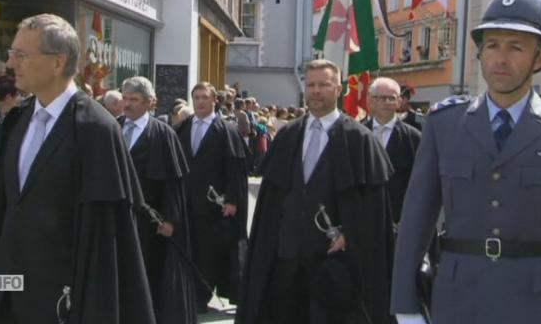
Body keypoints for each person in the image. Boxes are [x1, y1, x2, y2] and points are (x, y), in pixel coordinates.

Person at [0, 14, 155, 324]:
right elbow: (4, 212)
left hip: (61, 303)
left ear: (59, 62)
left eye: (21, 55)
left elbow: (105, 237)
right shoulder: (17, 120)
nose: (10, 63)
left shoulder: (95, 128)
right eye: (11, 53)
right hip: (5, 297)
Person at [392, 0, 541, 324]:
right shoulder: (445, 123)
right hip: (459, 301)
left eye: (516, 47)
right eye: (491, 45)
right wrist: (405, 305)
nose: (501, 58)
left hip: (536, 304)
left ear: (540, 56)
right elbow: (417, 218)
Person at [236, 59, 394, 324]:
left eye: (323, 84)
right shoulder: (288, 136)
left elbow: (374, 210)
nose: (316, 91)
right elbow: (270, 203)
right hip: (285, 261)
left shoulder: (360, 140)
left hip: (334, 268)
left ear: (338, 89)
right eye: (311, 85)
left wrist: (350, 234)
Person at [117, 76, 196, 324]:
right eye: (125, 98)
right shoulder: (111, 128)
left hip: (150, 222)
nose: (127, 105)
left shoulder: (162, 134)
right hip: (116, 216)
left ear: (150, 102)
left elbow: (174, 183)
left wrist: (170, 219)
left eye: (134, 99)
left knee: (148, 271)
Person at [174, 82, 248, 313]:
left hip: (214, 206)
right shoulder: (184, 127)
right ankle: (188, 293)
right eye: (196, 97)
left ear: (214, 100)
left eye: (205, 97)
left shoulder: (225, 129)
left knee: (209, 253)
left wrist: (232, 200)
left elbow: (235, 168)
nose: (200, 102)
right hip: (187, 203)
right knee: (189, 249)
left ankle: (201, 295)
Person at [364, 77, 421, 224]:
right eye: (382, 98)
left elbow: (419, 184)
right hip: (363, 220)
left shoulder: (414, 138)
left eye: (392, 98)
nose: (387, 103)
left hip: (399, 221)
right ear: (371, 100)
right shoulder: (357, 134)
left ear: (399, 101)